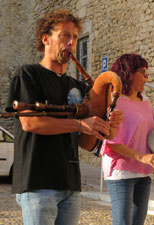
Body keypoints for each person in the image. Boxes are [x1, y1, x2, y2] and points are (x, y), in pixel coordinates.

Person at [5, 10, 122, 225]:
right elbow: (31, 123)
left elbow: (87, 143)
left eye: (75, 37)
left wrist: (108, 127)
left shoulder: (77, 86)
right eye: (65, 36)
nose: (71, 43)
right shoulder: (28, 74)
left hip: (70, 184)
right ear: (46, 39)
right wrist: (80, 123)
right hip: (37, 182)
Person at [100, 53, 154, 225]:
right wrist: (143, 157)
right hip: (121, 172)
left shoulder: (145, 101)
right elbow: (111, 143)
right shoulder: (115, 101)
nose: (147, 77)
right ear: (129, 73)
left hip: (143, 171)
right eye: (143, 72)